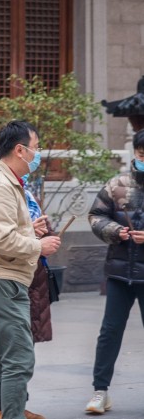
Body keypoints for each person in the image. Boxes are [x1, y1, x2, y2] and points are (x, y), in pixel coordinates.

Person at [0, 121, 61, 419]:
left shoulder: (3, 180)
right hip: (0, 280)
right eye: (36, 148)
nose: (38, 154)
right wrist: (38, 246)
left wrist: (28, 229)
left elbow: (2, 231)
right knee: (19, 359)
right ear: (20, 150)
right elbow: (2, 240)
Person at [84, 128, 144, 414]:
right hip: (120, 273)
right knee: (109, 332)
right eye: (143, 155)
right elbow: (96, 215)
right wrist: (115, 231)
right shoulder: (117, 185)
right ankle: (100, 391)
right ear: (135, 153)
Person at [0, 184, 53, 419]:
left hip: (35, 281)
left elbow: (45, 232)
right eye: (33, 148)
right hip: (10, 280)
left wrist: (47, 241)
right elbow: (2, 241)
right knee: (4, 351)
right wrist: (34, 239)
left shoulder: (29, 197)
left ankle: (17, 405)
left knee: (24, 351)